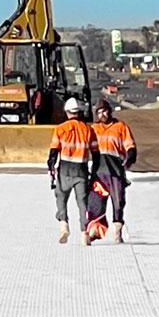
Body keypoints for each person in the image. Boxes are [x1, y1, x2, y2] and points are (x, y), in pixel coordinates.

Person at [47, 99, 99, 245]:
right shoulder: (88, 129)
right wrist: (95, 171)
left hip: (65, 170)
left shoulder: (60, 129)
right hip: (81, 170)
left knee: (61, 198)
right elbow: (95, 153)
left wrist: (51, 166)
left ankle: (63, 224)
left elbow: (53, 152)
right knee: (83, 203)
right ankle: (85, 233)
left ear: (67, 111)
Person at [89, 104, 138, 244]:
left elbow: (130, 144)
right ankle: (95, 231)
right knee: (95, 203)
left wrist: (131, 155)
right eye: (98, 112)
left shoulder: (121, 127)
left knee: (118, 202)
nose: (102, 114)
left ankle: (117, 231)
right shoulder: (93, 129)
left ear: (109, 111)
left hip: (115, 172)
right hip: (98, 173)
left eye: (104, 111)